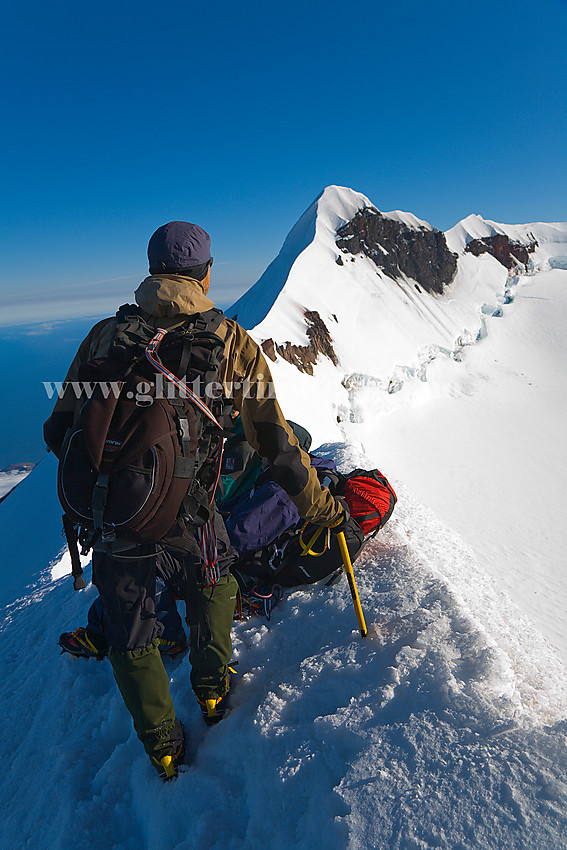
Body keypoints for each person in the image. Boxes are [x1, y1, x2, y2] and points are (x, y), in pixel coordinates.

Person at [44, 221, 347, 780]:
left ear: (151, 270)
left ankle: (162, 747)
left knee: (129, 624)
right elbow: (277, 448)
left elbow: (58, 428)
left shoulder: (103, 338)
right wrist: (324, 508)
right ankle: (211, 692)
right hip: (193, 510)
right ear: (206, 274)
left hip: (117, 515)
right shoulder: (231, 343)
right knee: (213, 582)